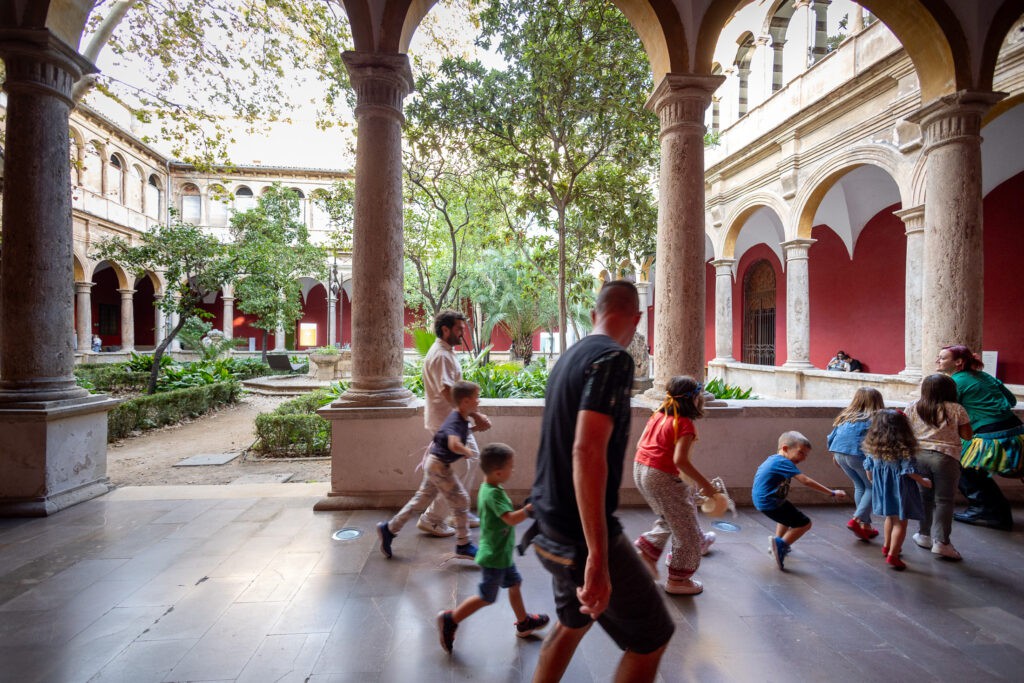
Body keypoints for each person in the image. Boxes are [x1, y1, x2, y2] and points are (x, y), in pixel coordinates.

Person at [528, 280, 673, 683]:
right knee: (653, 635)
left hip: (549, 523)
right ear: (637, 318)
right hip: (579, 536)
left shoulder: (569, 357)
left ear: (595, 314)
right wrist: (597, 555)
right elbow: (585, 452)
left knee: (572, 623)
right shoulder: (612, 360)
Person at [435, 443, 550, 654]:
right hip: (495, 556)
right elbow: (511, 519)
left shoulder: (491, 487)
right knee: (487, 596)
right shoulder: (494, 494)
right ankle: (451, 619)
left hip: (502, 552)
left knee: (515, 584)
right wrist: (529, 509)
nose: (512, 470)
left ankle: (523, 622)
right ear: (498, 472)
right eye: (511, 467)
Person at [632, 375, 717, 595]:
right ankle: (678, 580)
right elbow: (680, 460)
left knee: (672, 517)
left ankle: (646, 551)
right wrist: (705, 484)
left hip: (640, 469)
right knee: (687, 533)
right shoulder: (685, 423)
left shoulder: (658, 414)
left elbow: (641, 444)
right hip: (659, 475)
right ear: (694, 398)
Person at [377, 380, 481, 560]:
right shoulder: (456, 421)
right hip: (439, 466)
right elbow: (453, 443)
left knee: (420, 500)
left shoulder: (461, 418)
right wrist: (466, 451)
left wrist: (476, 427)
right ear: (465, 402)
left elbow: (456, 436)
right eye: (476, 398)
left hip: (435, 463)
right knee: (461, 500)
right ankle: (463, 544)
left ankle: (389, 529)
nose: (478, 402)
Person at [418, 310, 491, 537]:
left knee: (471, 458)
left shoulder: (445, 352)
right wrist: (473, 415)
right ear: (445, 329)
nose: (463, 333)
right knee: (459, 467)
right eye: (459, 329)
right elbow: (449, 391)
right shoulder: (441, 355)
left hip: (449, 421)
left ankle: (457, 510)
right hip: (446, 423)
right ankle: (432, 518)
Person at [936, 345, 1021, 531]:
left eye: (942, 358)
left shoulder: (955, 381)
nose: (937, 361)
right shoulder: (984, 376)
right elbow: (1011, 401)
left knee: (961, 464)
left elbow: (949, 412)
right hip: (1016, 432)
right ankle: (994, 511)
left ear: (958, 362)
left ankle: (986, 510)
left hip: (991, 436)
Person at [753, 431, 847, 571]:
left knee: (786, 516)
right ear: (785, 449)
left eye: (806, 454)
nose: (804, 458)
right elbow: (806, 481)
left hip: (766, 500)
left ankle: (777, 543)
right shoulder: (783, 462)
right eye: (801, 452)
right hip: (770, 502)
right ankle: (780, 545)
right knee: (804, 523)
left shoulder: (775, 459)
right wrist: (832, 493)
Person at [904, 374, 972, 560]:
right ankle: (941, 542)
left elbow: (906, 431)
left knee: (924, 497)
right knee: (944, 500)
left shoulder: (913, 406)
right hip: (946, 456)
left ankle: (923, 535)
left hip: (918, 455)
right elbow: (967, 435)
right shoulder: (957, 409)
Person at [863, 410, 932, 571]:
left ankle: (887, 546)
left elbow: (868, 467)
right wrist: (923, 480)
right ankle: (893, 555)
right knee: (901, 523)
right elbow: (908, 470)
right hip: (901, 488)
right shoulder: (904, 448)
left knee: (890, 518)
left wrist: (873, 480)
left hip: (883, 488)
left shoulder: (873, 447)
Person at [827, 387, 885, 541]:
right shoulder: (875, 419)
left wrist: (834, 455)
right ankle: (856, 520)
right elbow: (875, 443)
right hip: (859, 456)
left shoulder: (846, 417)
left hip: (840, 453)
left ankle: (866, 526)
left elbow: (831, 437)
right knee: (872, 488)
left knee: (860, 486)